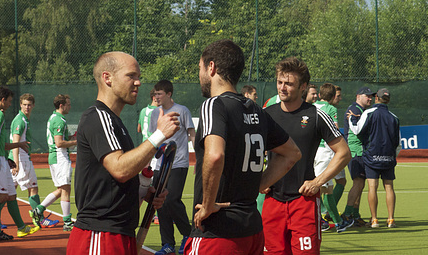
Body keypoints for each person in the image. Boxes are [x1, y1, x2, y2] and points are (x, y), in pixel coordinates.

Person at [185, 40, 301, 255]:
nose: (199, 74)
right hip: (251, 229)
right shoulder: (256, 110)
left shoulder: (214, 104)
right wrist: (255, 187)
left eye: (200, 68)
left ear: (212, 67)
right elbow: (292, 153)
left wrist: (208, 205)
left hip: (217, 231)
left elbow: (215, 155)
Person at [67, 51, 180, 255]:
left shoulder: (116, 123)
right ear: (107, 78)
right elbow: (119, 169)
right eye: (131, 76)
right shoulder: (97, 116)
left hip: (119, 234)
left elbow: (113, 182)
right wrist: (159, 135)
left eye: (139, 77)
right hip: (99, 236)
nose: (138, 83)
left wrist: (143, 192)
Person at [262, 57, 351, 255]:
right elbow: (254, 151)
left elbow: (344, 153)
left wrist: (318, 182)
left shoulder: (317, 115)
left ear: (303, 87)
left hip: (304, 201)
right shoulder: (265, 114)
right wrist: (262, 178)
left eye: (289, 84)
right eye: (279, 82)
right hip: (272, 202)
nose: (282, 88)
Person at [0, 86, 39, 241]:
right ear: (2, 100)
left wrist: (17, 145)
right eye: (9, 101)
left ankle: (12, 229)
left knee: (10, 195)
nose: (10, 104)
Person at [148, 80, 195, 255]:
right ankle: (167, 243)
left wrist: (197, 155)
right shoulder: (154, 114)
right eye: (155, 93)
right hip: (160, 164)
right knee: (160, 203)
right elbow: (155, 136)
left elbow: (191, 133)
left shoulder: (182, 111)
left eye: (159, 93)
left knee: (172, 199)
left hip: (179, 162)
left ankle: (188, 234)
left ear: (169, 94)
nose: (156, 96)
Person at [348, 88, 400, 228]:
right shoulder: (394, 117)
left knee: (372, 187)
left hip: (372, 156)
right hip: (389, 157)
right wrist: (393, 155)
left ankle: (375, 220)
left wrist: (351, 119)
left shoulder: (368, 113)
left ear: (377, 97)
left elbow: (357, 129)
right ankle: (391, 220)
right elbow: (398, 142)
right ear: (388, 100)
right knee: (389, 187)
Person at [12, 94, 58, 228]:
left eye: (29, 104)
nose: (27, 107)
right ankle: (40, 218)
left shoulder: (23, 119)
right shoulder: (20, 120)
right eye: (25, 104)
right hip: (21, 158)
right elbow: (15, 141)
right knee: (33, 188)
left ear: (33, 105)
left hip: (18, 158)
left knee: (8, 192)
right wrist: (16, 163)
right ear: (20, 104)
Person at [32, 94, 77, 231]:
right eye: (68, 104)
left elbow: (60, 139)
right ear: (61, 105)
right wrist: (76, 142)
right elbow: (59, 143)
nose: (70, 106)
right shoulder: (59, 120)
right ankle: (67, 222)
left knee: (61, 189)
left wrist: (73, 137)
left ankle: (39, 210)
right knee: (65, 190)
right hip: (60, 157)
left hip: (56, 158)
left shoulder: (54, 118)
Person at [312, 83, 352, 232]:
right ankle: (318, 220)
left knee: (327, 188)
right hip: (326, 151)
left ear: (320, 94)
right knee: (320, 187)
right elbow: (333, 128)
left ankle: (337, 222)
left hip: (315, 150)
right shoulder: (331, 109)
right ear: (333, 96)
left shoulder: (312, 106)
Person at [342, 87, 374, 227]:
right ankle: (347, 214)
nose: (370, 98)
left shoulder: (359, 110)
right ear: (358, 96)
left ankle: (355, 215)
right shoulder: (355, 110)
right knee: (358, 183)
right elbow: (358, 131)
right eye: (367, 96)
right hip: (356, 151)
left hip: (358, 151)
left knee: (359, 183)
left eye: (371, 96)